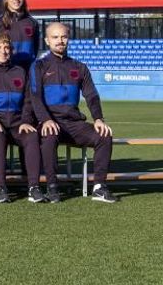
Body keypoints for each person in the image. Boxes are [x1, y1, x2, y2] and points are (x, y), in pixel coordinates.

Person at [30, 22, 118, 204]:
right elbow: (35, 97)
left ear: (68, 39)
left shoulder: (79, 67)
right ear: (47, 41)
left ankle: (99, 187)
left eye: (63, 37)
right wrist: (45, 120)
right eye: (55, 37)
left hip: (74, 124)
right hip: (50, 122)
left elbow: (91, 95)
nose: (60, 41)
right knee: (49, 136)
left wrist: (99, 119)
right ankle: (53, 187)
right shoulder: (38, 66)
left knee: (104, 136)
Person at [0, 30, 45, 204]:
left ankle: (34, 187)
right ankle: (0, 187)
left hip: (16, 122)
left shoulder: (20, 71)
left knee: (32, 135)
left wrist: (25, 121)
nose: (3, 51)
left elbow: (28, 101)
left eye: (6, 47)